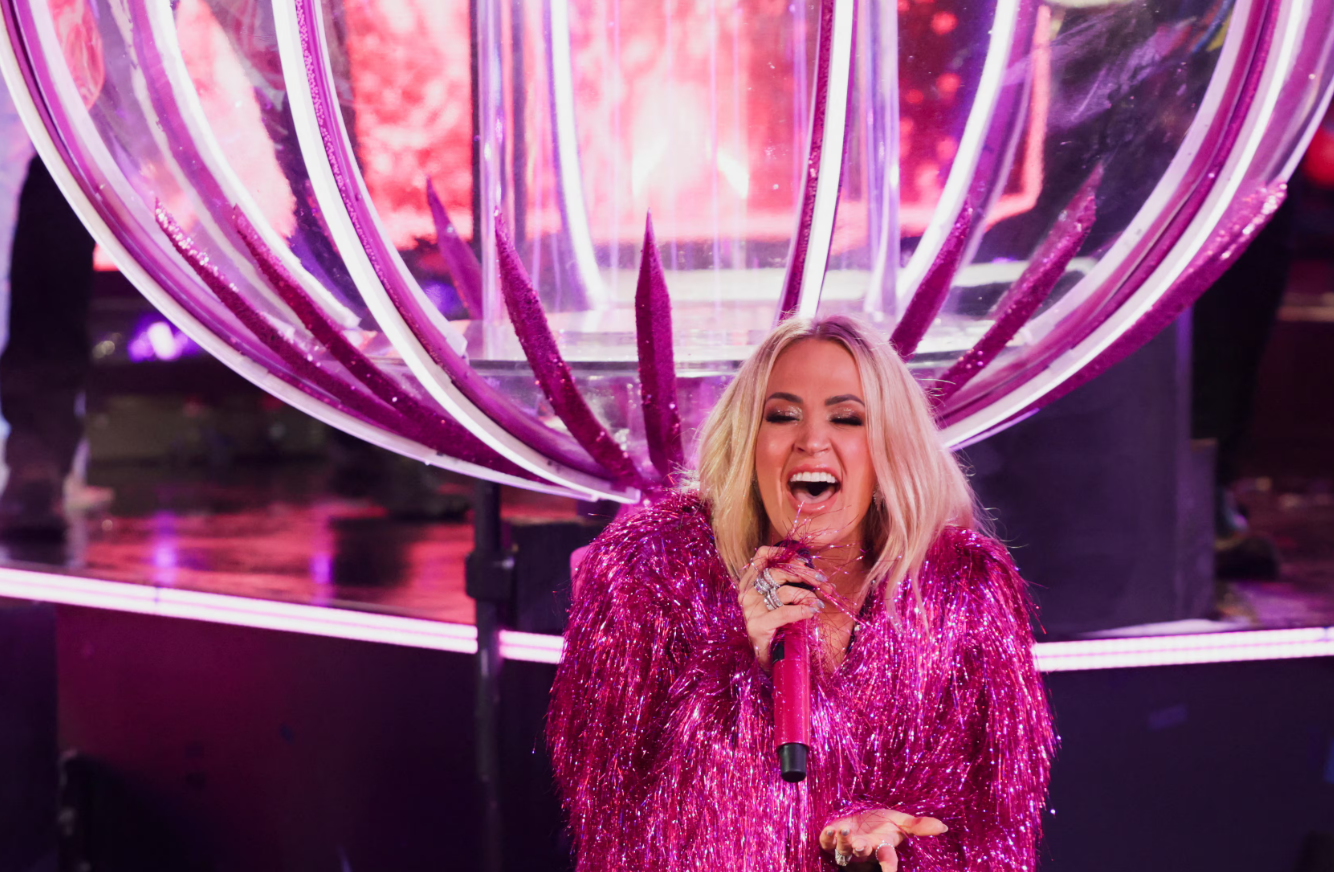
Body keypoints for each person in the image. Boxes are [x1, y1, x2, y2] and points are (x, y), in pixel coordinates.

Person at [548, 316, 1054, 872]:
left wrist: (902, 843)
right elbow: (620, 835)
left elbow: (995, 831)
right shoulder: (648, 577)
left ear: (890, 446)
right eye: (783, 415)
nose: (812, 441)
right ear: (749, 440)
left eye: (847, 418)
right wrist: (744, 668)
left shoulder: (963, 590)